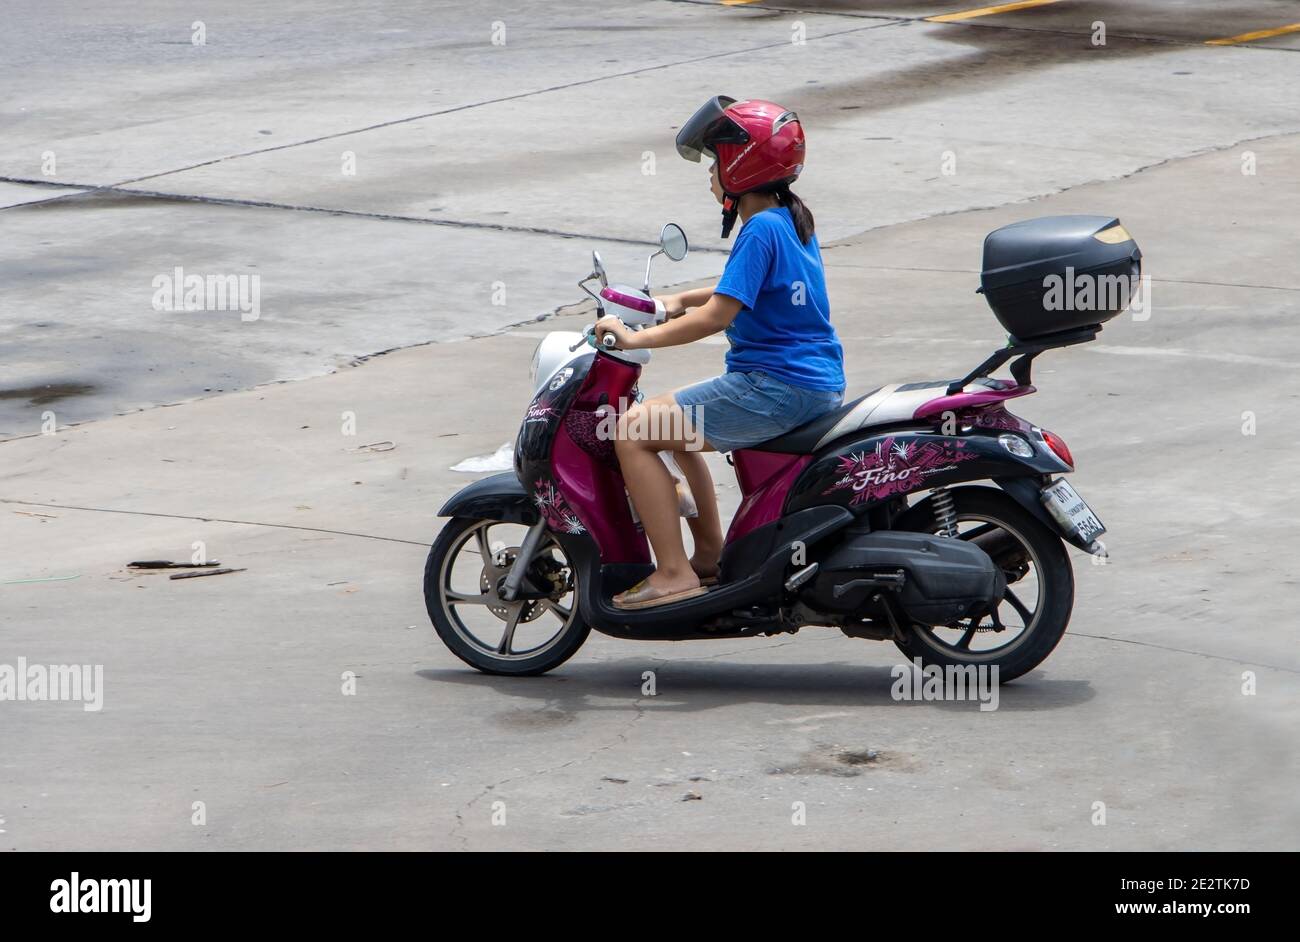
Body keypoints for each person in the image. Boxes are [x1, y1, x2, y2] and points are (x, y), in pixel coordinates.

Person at [595, 96, 846, 611]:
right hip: (809, 382)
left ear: (741, 163)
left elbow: (716, 317)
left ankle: (671, 573)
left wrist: (634, 339)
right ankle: (708, 554)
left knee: (633, 432)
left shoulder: (759, 229)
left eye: (716, 161)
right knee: (671, 423)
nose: (711, 173)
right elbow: (733, 292)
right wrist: (668, 304)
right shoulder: (790, 220)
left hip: (776, 387)